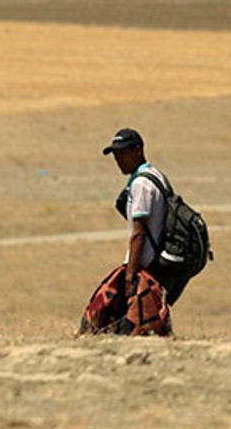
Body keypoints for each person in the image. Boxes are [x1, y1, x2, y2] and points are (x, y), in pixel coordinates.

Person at [79, 127, 174, 336]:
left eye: (123, 152)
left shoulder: (141, 184)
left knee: (125, 325)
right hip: (153, 266)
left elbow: (138, 234)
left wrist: (129, 277)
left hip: (143, 268)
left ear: (138, 150)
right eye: (115, 154)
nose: (118, 159)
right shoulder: (156, 176)